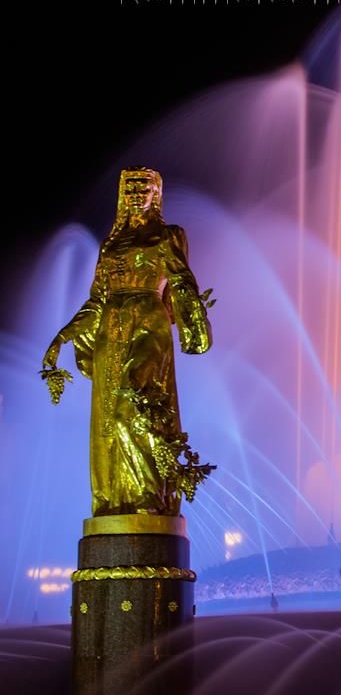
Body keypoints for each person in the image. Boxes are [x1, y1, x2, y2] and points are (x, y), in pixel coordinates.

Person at [41, 167, 214, 516]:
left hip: (149, 320)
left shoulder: (168, 235)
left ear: (156, 194)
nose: (136, 193)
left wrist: (195, 322)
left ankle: (152, 496)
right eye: (130, 187)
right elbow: (96, 301)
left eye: (143, 187)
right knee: (107, 417)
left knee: (134, 402)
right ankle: (115, 500)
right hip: (111, 326)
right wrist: (62, 337)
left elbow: (182, 280)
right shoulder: (111, 244)